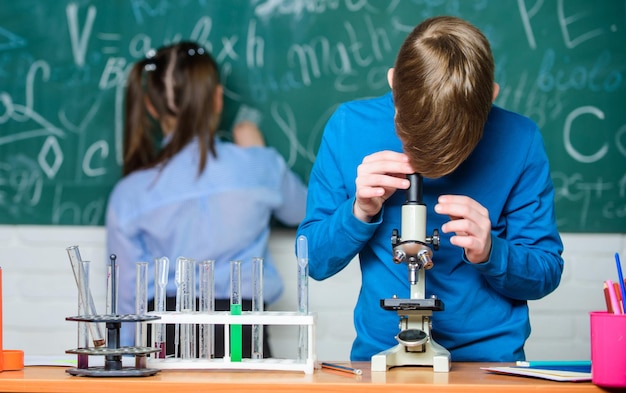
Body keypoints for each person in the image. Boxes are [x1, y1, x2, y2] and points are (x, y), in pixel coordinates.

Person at [296, 16, 564, 362]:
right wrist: (358, 211)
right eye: (414, 145)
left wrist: (492, 252)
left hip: (489, 366)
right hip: (382, 356)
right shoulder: (348, 128)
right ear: (394, 84)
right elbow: (313, 262)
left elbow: (546, 272)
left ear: (491, 97)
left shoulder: (520, 140)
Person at [106, 41, 307, 356]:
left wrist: (129, 362)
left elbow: (128, 296)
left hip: (163, 338)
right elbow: (303, 212)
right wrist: (257, 150)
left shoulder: (130, 193)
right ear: (216, 99)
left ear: (151, 105)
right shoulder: (258, 166)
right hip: (241, 330)